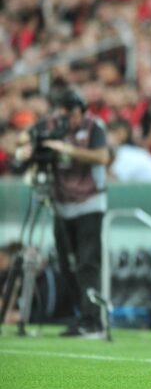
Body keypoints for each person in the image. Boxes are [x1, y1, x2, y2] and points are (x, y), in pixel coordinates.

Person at [15, 87, 110, 337]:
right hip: (61, 204)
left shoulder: (94, 126)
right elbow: (23, 140)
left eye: (74, 113)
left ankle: (93, 320)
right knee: (67, 265)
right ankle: (82, 315)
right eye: (66, 113)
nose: (71, 119)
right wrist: (30, 147)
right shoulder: (52, 126)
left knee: (88, 263)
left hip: (89, 204)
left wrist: (66, 149)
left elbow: (102, 157)